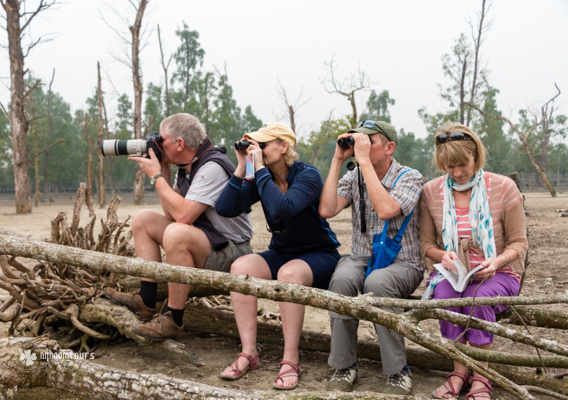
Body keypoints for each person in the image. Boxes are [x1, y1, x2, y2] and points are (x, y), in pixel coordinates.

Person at [104, 113, 253, 341]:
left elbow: (182, 216)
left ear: (180, 143)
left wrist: (155, 177)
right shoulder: (186, 166)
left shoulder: (211, 166)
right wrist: (162, 169)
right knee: (143, 219)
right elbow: (169, 213)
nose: (158, 144)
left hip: (233, 251)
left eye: (162, 140)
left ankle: (174, 319)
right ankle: (146, 298)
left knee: (176, 232)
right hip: (209, 242)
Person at [215, 122, 341, 390]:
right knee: (240, 267)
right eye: (254, 146)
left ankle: (290, 359)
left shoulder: (308, 175)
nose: (256, 150)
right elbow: (225, 208)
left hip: (320, 255)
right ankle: (249, 352)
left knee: (289, 274)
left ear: (284, 147)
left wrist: (258, 170)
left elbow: (283, 208)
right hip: (282, 253)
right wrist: (241, 168)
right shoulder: (262, 176)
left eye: (262, 145)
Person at [420, 122, 527, 400]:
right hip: (452, 273)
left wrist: (497, 260)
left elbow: (519, 243)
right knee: (447, 299)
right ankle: (459, 371)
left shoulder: (504, 187)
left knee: (476, 299)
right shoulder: (431, 192)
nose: (456, 173)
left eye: (462, 164)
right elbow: (426, 245)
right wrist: (444, 256)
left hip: (498, 273)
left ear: (476, 156)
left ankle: (481, 377)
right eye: (448, 166)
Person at [318, 121, 423, 395]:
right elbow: (327, 209)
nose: (361, 145)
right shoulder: (355, 176)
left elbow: (387, 209)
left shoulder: (410, 177)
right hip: (361, 258)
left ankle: (398, 372)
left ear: (390, 147)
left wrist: (362, 161)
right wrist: (337, 160)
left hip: (403, 263)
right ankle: (344, 366)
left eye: (369, 140)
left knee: (377, 283)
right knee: (341, 280)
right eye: (358, 140)